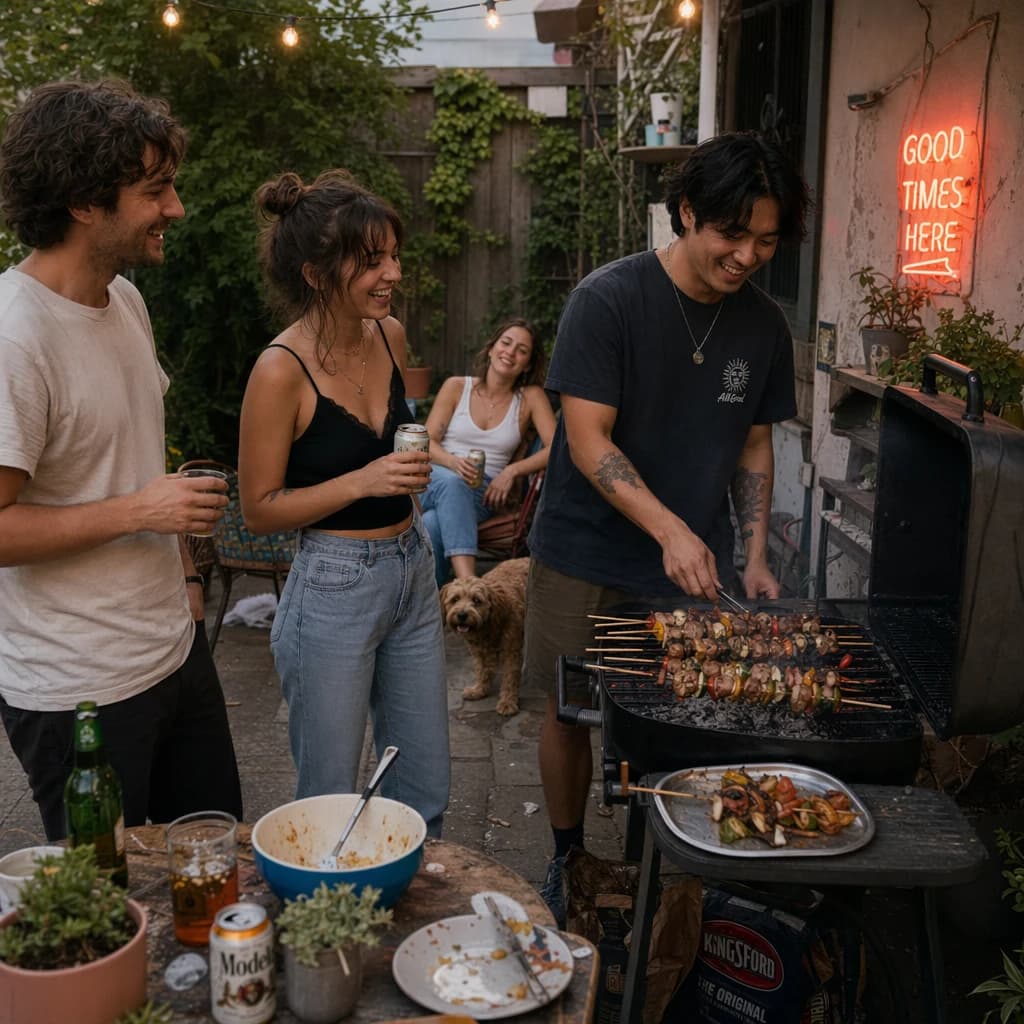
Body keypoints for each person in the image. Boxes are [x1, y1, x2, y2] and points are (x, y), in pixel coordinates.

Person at [523, 131, 812, 922]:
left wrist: (750, 554)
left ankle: (654, 865)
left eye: (765, 239)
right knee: (566, 709)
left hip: (692, 564)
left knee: (678, 710)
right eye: (731, 234)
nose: (748, 255)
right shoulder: (608, 300)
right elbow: (587, 440)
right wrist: (670, 529)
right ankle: (566, 854)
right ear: (686, 214)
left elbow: (755, 439)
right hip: (584, 549)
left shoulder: (763, 326)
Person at [0, 79, 243, 840]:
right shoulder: (17, 338)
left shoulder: (124, 299)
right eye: (155, 190)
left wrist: (190, 583)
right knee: (116, 911)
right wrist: (140, 511)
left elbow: (135, 460)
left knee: (214, 860)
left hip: (173, 651)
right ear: (82, 202)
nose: (174, 208)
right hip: (79, 690)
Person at [238, 169, 449, 837]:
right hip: (332, 585)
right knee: (328, 800)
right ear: (317, 273)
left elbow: (403, 437)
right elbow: (260, 509)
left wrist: (429, 462)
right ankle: (327, 936)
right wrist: (364, 480)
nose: (392, 272)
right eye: (371, 260)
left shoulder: (389, 335)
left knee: (424, 789)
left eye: (393, 254)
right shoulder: (280, 370)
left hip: (413, 568)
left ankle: (417, 932)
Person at [421, 318, 556, 588]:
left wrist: (512, 470)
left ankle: (432, 604)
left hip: (483, 492)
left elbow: (556, 449)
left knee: (432, 524)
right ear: (492, 349)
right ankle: (470, 584)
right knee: (451, 482)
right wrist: (452, 462)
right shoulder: (456, 386)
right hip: (435, 478)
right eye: (506, 343)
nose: (510, 352)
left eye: (522, 350)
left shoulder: (530, 397)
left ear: (527, 363)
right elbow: (427, 442)